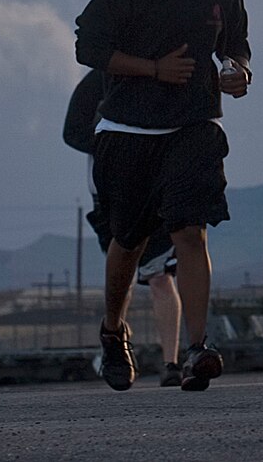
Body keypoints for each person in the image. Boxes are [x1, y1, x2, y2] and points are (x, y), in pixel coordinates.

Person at [73, 0, 252, 393]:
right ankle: (114, 332)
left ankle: (198, 349)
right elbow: (89, 46)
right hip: (129, 130)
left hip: (195, 126)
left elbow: (235, 44)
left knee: (191, 233)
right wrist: (153, 69)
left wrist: (237, 71)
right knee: (127, 242)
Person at [63, 68, 185, 386]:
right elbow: (73, 131)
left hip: (158, 190)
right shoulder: (96, 81)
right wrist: (117, 145)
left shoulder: (165, 75)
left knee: (160, 276)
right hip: (109, 194)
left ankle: (171, 362)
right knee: (123, 273)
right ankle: (116, 336)